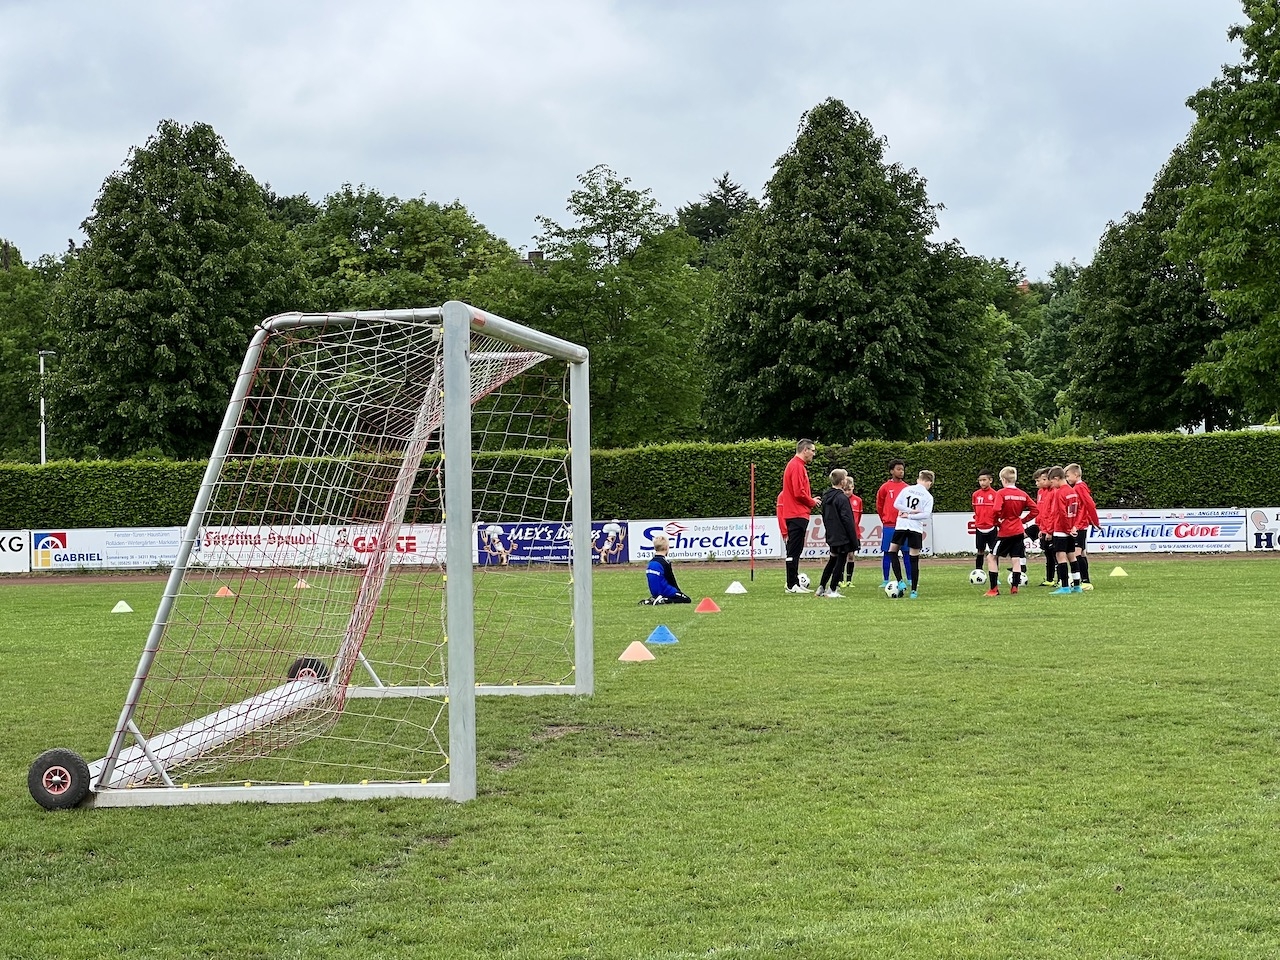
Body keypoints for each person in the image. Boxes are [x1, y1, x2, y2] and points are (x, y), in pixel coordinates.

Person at [986, 466, 1037, 597]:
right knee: (1016, 559)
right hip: (1018, 530)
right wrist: (1022, 520)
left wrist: (997, 522)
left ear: (1003, 479)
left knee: (991, 557)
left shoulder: (1001, 493)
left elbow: (996, 509)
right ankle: (1014, 587)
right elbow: (1035, 510)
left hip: (1006, 531)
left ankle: (994, 589)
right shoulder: (1022, 494)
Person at [777, 439, 820, 593]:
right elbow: (798, 492)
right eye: (812, 450)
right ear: (805, 450)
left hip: (797, 513)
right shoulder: (796, 466)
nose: (814, 454)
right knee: (793, 550)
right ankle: (791, 585)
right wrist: (812, 501)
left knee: (796, 549)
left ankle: (794, 582)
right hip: (796, 514)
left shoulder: (797, 465)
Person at [886, 470, 934, 599]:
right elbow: (926, 514)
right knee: (914, 559)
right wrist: (912, 514)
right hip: (915, 528)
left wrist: (907, 512)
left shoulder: (906, 489)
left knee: (892, 552)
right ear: (929, 482)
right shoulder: (928, 496)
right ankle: (913, 591)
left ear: (918, 479)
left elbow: (896, 504)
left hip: (901, 525)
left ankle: (900, 581)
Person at [816, 469, 858, 598]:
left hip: (831, 534)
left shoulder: (826, 497)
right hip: (843, 535)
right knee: (841, 561)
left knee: (832, 559)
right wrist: (853, 539)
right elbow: (847, 520)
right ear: (842, 481)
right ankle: (832, 589)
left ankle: (821, 587)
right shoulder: (842, 498)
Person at [1044, 466, 1082, 594]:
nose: (1052, 485)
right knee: (1072, 556)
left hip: (1061, 529)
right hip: (1071, 529)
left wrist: (1052, 530)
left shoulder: (1060, 492)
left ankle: (1065, 586)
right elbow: (1077, 511)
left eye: (1052, 482)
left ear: (1056, 478)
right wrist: (1074, 527)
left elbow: (1060, 513)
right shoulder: (1073, 491)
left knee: (1060, 557)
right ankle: (1077, 585)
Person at [875, 459, 912, 588]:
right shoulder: (885, 487)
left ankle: (910, 579)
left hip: (904, 525)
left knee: (907, 552)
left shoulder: (907, 488)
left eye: (902, 469)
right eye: (898, 469)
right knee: (888, 552)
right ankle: (886, 580)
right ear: (892, 471)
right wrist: (885, 519)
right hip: (889, 525)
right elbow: (879, 505)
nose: (901, 471)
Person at [1065, 463, 1099, 590]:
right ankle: (1085, 580)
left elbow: (1090, 504)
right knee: (1082, 552)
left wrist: (1095, 521)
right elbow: (1085, 507)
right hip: (1080, 524)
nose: (1067, 479)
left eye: (1068, 476)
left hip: (1079, 525)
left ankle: (1084, 581)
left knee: (1076, 553)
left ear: (1076, 474)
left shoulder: (1079, 487)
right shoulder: (1079, 487)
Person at [642, 534, 691, 604]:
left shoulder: (651, 562)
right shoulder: (665, 562)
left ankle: (654, 599)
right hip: (665, 590)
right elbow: (671, 579)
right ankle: (663, 600)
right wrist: (678, 591)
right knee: (686, 599)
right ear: (666, 547)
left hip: (654, 592)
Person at [971, 470, 998, 581]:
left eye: (984, 480)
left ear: (990, 480)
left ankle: (995, 576)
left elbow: (998, 511)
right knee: (980, 551)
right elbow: (975, 509)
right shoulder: (975, 495)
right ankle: (978, 573)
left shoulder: (996, 495)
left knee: (994, 553)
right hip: (980, 527)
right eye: (980, 480)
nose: (982, 482)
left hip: (992, 527)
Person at [1030, 468, 1056, 586]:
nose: (1038, 483)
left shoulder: (1054, 492)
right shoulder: (1041, 492)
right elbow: (1041, 511)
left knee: (1056, 554)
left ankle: (1062, 580)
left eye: (1041, 480)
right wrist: (1041, 527)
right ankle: (1049, 579)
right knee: (1048, 554)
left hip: (1052, 528)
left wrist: (1049, 530)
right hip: (1043, 527)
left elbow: (1052, 513)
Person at [841, 475, 863, 587]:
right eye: (845, 490)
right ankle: (840, 580)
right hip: (842, 533)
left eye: (849, 489)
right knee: (841, 555)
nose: (847, 492)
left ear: (853, 487)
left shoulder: (858, 500)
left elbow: (859, 517)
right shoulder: (840, 500)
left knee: (851, 555)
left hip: (854, 533)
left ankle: (849, 580)